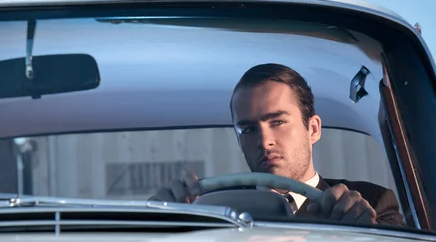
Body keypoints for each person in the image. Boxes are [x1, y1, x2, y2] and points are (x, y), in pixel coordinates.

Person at [151, 63, 406, 227]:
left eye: (278, 121)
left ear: (313, 129)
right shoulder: (207, 208)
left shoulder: (370, 202)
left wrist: (367, 232)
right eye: (248, 129)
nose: (264, 141)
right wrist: (159, 222)